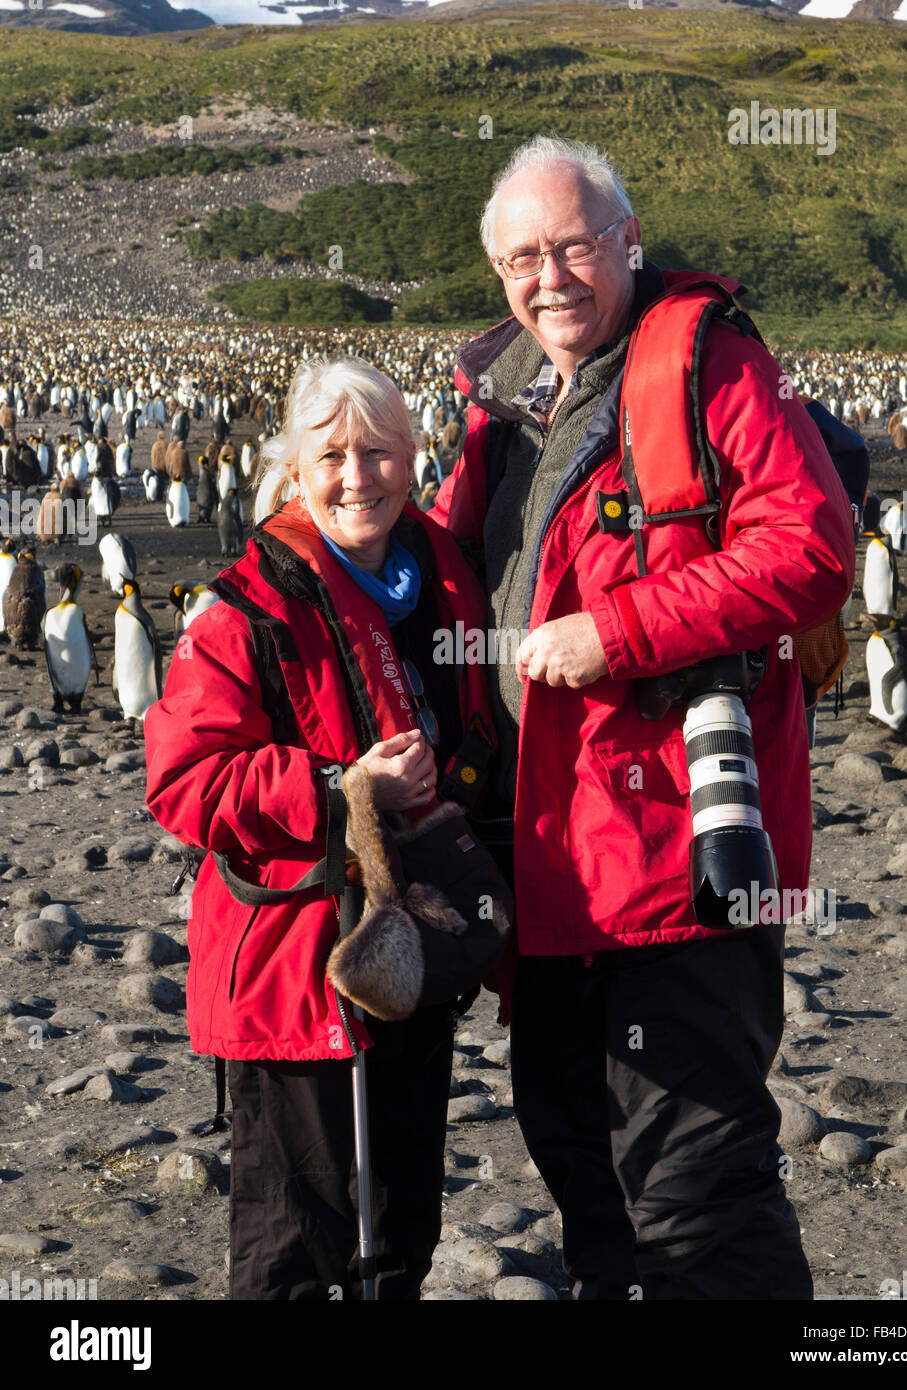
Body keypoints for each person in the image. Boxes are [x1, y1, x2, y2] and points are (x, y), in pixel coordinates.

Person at [431, 135, 856, 1300]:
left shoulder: (705, 363)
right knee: (586, 1175)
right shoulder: (506, 399)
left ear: (627, 239)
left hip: (676, 864)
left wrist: (614, 632)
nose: (549, 275)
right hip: (547, 863)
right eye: (523, 256)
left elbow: (812, 546)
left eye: (574, 244)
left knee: (697, 1196)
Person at [144, 357, 499, 1300]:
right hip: (292, 977)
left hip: (409, 956)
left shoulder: (441, 575)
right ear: (293, 468)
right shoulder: (246, 606)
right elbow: (182, 780)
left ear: (412, 456)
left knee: (398, 1241)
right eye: (332, 454)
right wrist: (340, 789)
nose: (357, 476)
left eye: (377, 451)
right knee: (291, 1253)